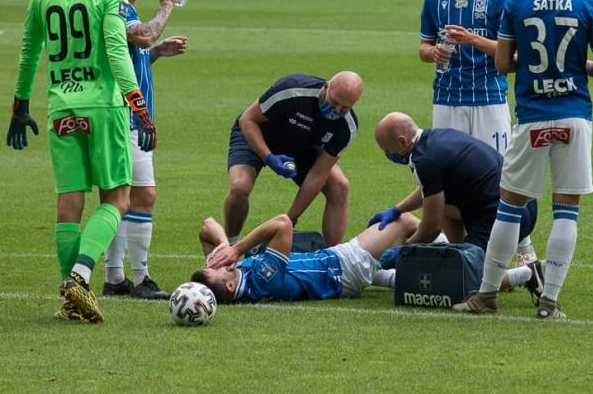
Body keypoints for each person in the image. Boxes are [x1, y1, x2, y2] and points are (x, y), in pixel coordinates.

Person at [453, 0, 593, 319]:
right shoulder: (590, 4)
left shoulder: (519, 1)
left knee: (509, 206)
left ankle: (486, 296)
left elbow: (503, 63)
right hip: (574, 116)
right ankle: (549, 302)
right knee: (567, 209)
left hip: (531, 117)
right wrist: (580, 66)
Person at [7, 0, 158, 323]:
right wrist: (137, 103)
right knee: (117, 198)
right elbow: (114, 49)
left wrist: (20, 104)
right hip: (103, 107)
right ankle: (80, 275)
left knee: (69, 202)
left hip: (61, 107)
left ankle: (71, 297)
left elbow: (28, 53)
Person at [418, 0, 537, 264]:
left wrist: (473, 39)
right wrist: (433, 54)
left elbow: (513, 57)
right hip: (446, 99)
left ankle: (524, 246)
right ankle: (467, 254)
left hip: (488, 99)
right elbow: (423, 47)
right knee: (452, 181)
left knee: (502, 178)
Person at [196, 212, 541, 303]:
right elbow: (283, 224)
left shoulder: (230, 279)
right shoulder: (259, 280)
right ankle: (470, 257)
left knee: (410, 276)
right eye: (219, 269)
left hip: (341, 274)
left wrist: (221, 251)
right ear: (228, 285)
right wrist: (237, 249)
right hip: (342, 266)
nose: (221, 263)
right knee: (403, 223)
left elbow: (206, 227)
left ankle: (519, 277)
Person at [101, 0, 188, 301]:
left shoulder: (124, 8)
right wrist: (166, 5)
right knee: (142, 195)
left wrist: (153, 55)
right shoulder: (119, 6)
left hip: (125, 115)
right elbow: (143, 34)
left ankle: (115, 278)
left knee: (120, 198)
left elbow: (135, 50)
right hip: (126, 117)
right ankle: (139, 278)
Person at [224, 72, 362, 247]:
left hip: (302, 147)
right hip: (257, 134)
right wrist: (269, 158)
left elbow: (318, 174)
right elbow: (248, 120)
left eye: (345, 108)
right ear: (326, 87)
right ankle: (229, 246)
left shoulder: (347, 127)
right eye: (334, 102)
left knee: (339, 187)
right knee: (240, 187)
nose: (336, 111)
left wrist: (289, 219)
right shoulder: (293, 89)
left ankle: (331, 262)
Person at [369, 112, 538, 254]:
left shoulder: (424, 160)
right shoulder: (438, 137)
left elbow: (432, 227)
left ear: (402, 142)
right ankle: (462, 249)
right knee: (444, 209)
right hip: (527, 206)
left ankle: (527, 274)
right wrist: (397, 210)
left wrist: (404, 250)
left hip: (506, 217)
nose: (388, 155)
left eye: (387, 151)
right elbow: (428, 192)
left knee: (463, 277)